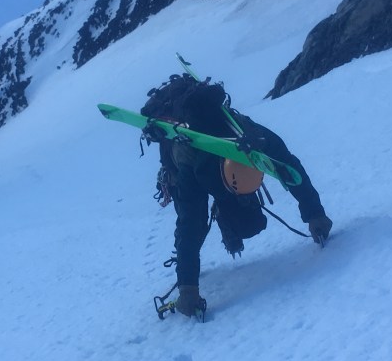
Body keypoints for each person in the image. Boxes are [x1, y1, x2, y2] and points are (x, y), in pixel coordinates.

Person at [141, 75, 333, 318]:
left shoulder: (251, 136)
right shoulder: (188, 162)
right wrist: (188, 288)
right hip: (184, 165)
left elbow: (289, 167)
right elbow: (189, 223)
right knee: (194, 228)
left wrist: (315, 214)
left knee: (249, 224)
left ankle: (227, 212)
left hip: (228, 165)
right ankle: (187, 266)